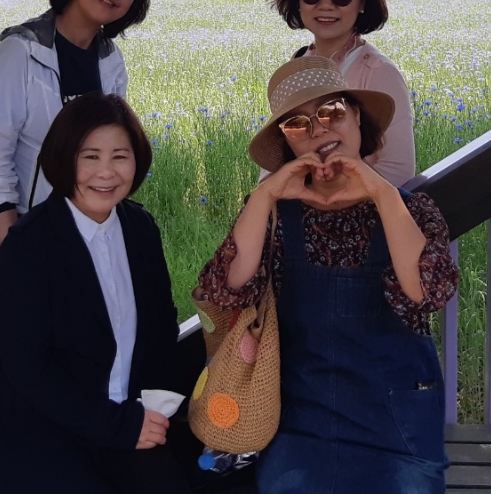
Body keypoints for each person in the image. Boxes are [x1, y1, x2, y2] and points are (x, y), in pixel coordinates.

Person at [196, 56, 459, 494]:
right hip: (301, 418)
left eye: (332, 112)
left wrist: (380, 191)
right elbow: (226, 291)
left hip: (397, 423)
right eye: (297, 123)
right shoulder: (275, 215)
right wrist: (265, 195)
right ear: (287, 142)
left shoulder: (411, 209)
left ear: (357, 116)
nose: (318, 129)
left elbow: (425, 293)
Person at [0, 94, 190, 494]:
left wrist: (151, 410)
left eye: (119, 156)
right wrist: (117, 426)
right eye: (90, 157)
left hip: (127, 418)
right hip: (40, 427)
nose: (105, 173)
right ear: (63, 158)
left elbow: (161, 329)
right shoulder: (28, 244)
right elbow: (27, 369)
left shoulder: (141, 229)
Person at [0, 0, 151, 247]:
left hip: (92, 231)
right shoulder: (21, 52)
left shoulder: (110, 60)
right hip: (31, 231)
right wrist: (11, 240)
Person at [266, 0, 415, 186]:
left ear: (362, 2)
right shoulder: (299, 63)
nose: (326, 5)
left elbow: (399, 171)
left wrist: (329, 198)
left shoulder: (379, 72)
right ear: (299, 0)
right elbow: (278, 153)